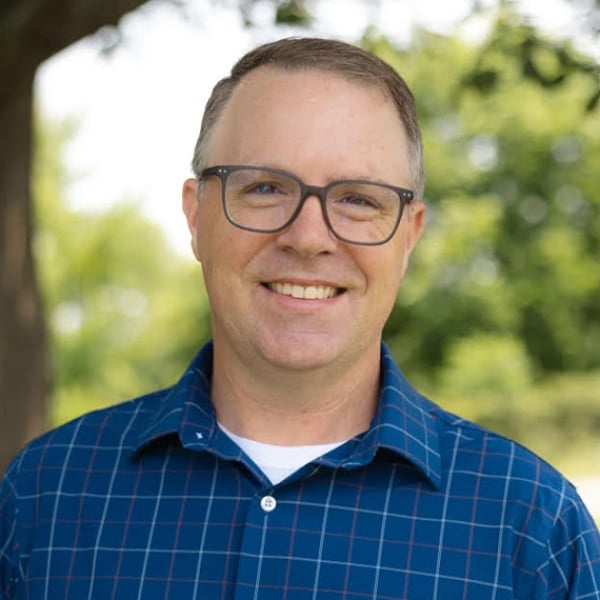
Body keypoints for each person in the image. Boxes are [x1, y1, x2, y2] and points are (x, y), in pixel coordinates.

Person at [1, 37, 599, 600]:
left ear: (409, 236)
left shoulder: (534, 528)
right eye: (265, 188)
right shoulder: (43, 496)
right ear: (196, 216)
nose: (308, 237)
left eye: (358, 199)